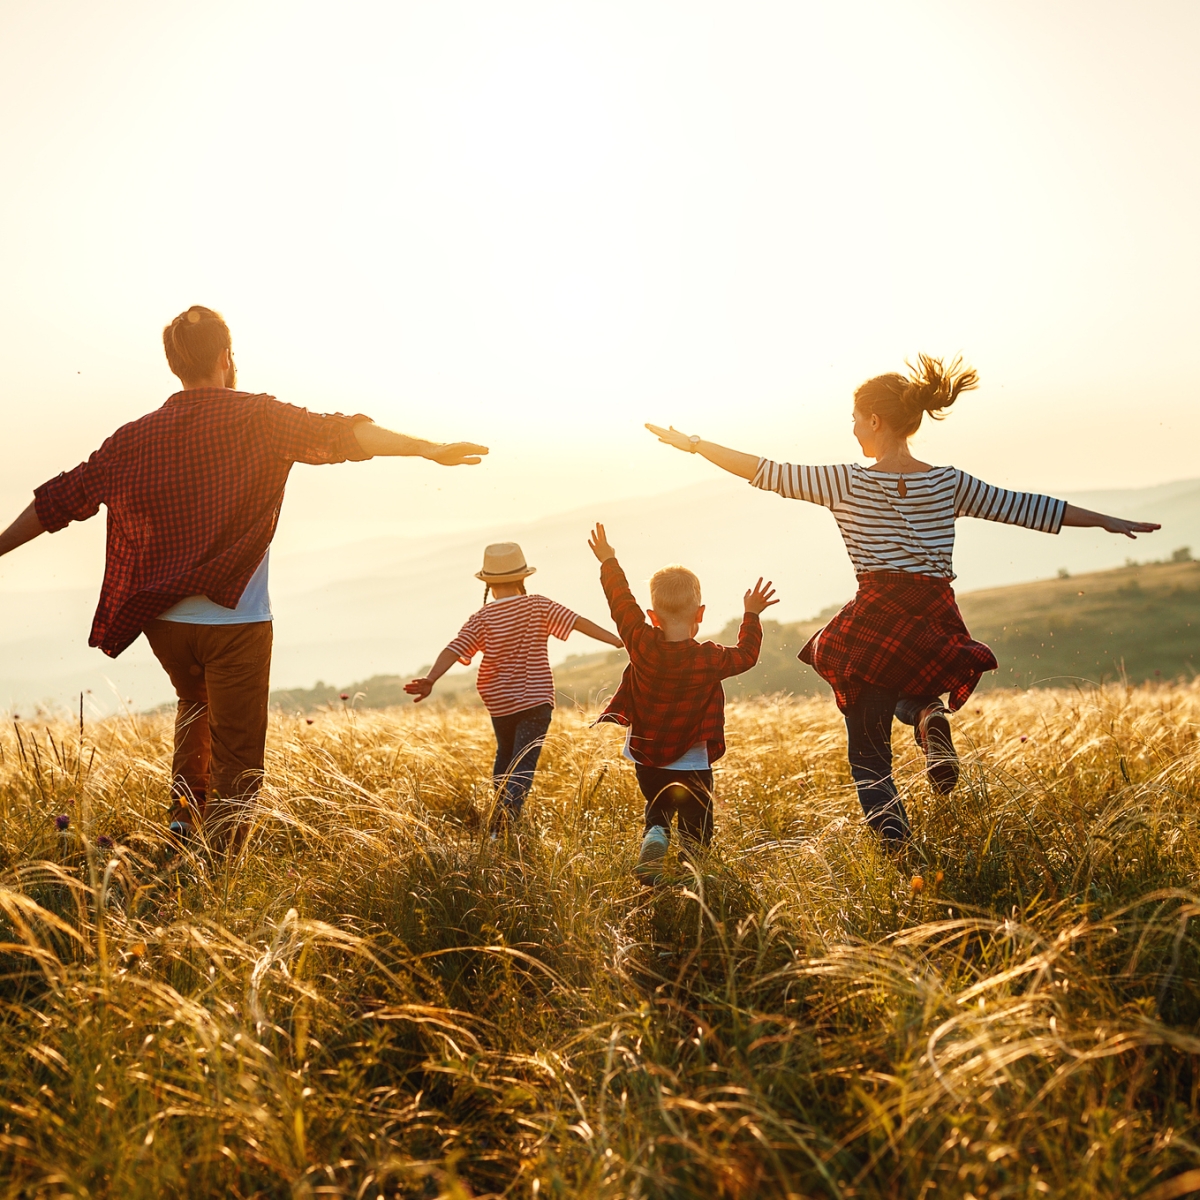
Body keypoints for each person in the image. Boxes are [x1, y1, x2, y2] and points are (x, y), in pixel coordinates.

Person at [0, 305, 488, 851]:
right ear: (227, 357)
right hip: (237, 623)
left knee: (194, 705)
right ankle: (220, 866)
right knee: (238, 751)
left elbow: (61, 499)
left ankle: (184, 826)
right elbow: (345, 435)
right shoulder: (260, 418)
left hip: (162, 621)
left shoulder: (134, 438)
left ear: (174, 365)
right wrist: (427, 448)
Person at [646, 354, 1160, 849]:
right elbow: (1026, 507)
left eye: (854, 419)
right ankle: (926, 716)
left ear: (874, 419)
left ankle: (900, 851)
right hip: (935, 614)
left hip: (877, 611)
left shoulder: (846, 481)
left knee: (868, 754)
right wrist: (1106, 520)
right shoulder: (948, 481)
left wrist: (694, 445)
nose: (851, 430)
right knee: (903, 686)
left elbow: (764, 470)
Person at [587, 522, 776, 884]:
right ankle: (692, 875)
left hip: (646, 754)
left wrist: (608, 560)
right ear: (700, 614)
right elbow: (748, 655)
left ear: (652, 616)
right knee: (696, 823)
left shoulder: (640, 641)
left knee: (658, 805)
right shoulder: (709, 658)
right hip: (692, 759)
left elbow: (620, 602)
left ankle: (656, 833)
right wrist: (751, 614)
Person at [404, 541, 622, 832]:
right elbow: (578, 622)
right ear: (522, 577)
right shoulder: (538, 605)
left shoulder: (481, 618)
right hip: (535, 699)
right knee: (524, 761)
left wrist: (431, 679)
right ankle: (505, 822)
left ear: (489, 584)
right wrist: (618, 639)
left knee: (505, 756)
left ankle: (497, 821)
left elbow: (454, 649)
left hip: (499, 702)